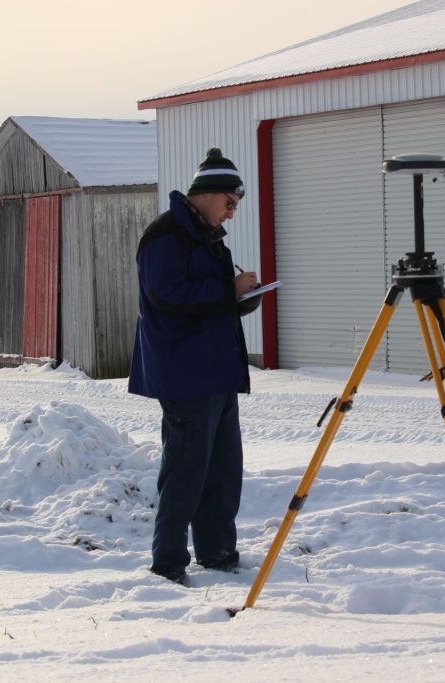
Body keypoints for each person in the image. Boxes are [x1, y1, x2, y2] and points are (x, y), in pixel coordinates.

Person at [128, 148, 261, 585]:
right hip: (185, 373)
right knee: (186, 469)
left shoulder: (206, 237)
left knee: (223, 469)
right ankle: (168, 562)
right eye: (230, 203)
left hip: (217, 370)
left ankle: (218, 552)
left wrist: (243, 296)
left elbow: (213, 302)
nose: (232, 213)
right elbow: (169, 296)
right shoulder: (166, 237)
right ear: (207, 194)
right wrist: (228, 288)